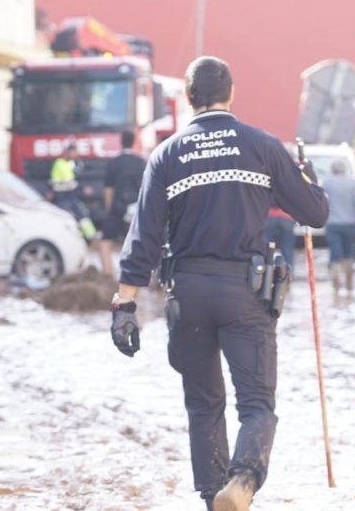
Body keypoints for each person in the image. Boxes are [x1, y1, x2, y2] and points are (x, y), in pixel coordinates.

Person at [110, 57, 328, 511]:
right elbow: (314, 213)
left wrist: (124, 305)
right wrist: (310, 180)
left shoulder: (167, 155)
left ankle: (214, 498)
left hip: (187, 295)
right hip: (244, 295)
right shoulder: (261, 146)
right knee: (256, 404)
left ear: (189, 98)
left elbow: (143, 236)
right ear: (232, 92)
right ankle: (244, 480)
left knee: (203, 404)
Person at [98, 131, 146, 276]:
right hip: (136, 210)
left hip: (117, 208)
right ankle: (137, 276)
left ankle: (108, 275)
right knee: (138, 244)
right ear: (134, 142)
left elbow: (108, 189)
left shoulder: (114, 162)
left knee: (105, 242)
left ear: (121, 142)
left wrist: (110, 210)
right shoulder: (141, 162)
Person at [321, 159, 355, 297]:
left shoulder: (327, 182)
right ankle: (349, 285)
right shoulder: (352, 182)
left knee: (335, 254)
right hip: (350, 223)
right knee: (349, 253)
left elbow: (322, 202)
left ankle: (336, 285)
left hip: (333, 224)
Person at [50, 143, 97, 239]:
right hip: (62, 197)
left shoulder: (70, 163)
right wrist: (82, 188)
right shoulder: (60, 164)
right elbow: (70, 182)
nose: (76, 155)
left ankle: (92, 238)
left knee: (83, 217)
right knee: (65, 221)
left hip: (71, 197)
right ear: (68, 152)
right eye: (74, 152)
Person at [264, 206, 297, 278]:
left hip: (270, 214)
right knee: (287, 249)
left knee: (267, 249)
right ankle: (289, 275)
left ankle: (265, 274)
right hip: (287, 216)